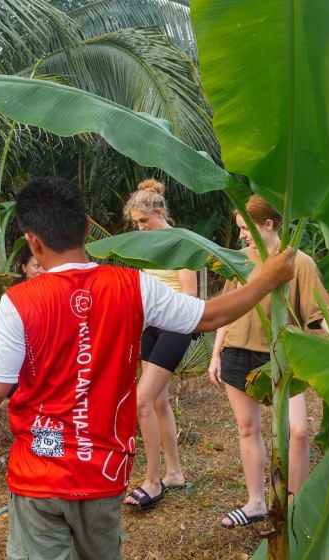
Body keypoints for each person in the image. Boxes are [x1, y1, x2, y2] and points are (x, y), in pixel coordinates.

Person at [0, 177, 296, 560]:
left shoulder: (19, 302)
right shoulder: (132, 286)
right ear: (87, 227)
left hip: (40, 472)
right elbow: (207, 315)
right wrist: (266, 279)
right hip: (103, 471)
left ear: (33, 242)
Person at [207, 196, 329, 530]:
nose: (241, 235)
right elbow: (227, 310)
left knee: (298, 432)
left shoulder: (296, 262)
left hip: (282, 356)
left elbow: (319, 312)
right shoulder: (240, 261)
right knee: (248, 428)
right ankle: (256, 502)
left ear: (268, 225)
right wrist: (216, 353)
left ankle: (295, 504)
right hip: (237, 353)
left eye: (245, 228)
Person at [121, 179, 197, 510]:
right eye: (136, 223)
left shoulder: (181, 243)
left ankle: (153, 481)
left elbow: (190, 295)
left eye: (143, 221)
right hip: (150, 326)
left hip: (176, 326)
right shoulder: (146, 246)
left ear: (159, 212)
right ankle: (175, 472)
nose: (140, 228)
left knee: (142, 401)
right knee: (158, 402)